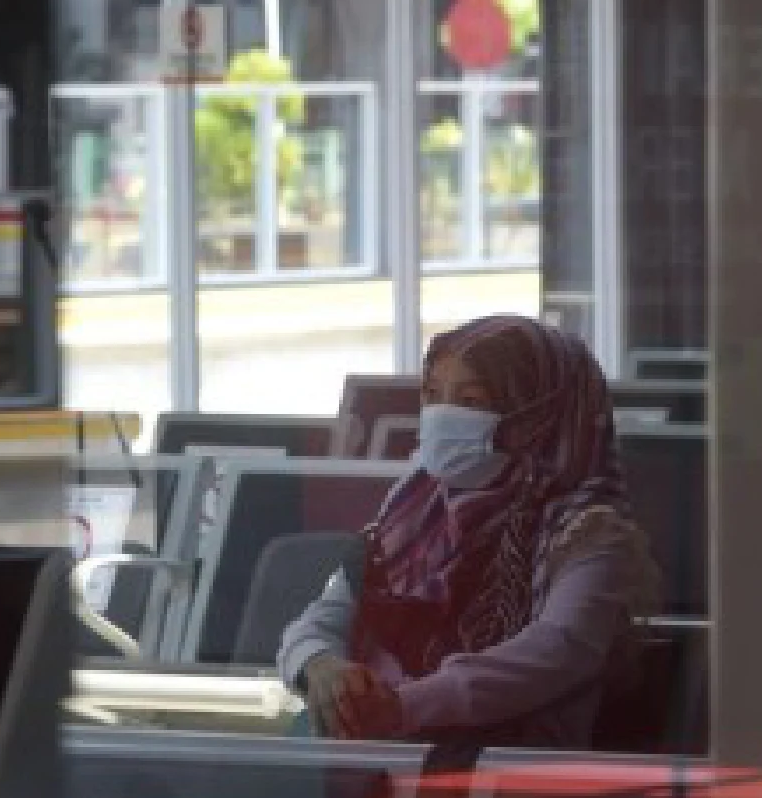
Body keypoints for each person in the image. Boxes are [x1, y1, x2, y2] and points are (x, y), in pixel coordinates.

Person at [278, 315, 661, 749]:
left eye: (470, 400)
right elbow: (321, 618)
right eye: (433, 395)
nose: (442, 415)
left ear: (535, 415)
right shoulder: (409, 512)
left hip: (505, 770)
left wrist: (405, 706)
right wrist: (319, 665)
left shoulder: (589, 531)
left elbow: (555, 651)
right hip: (378, 751)